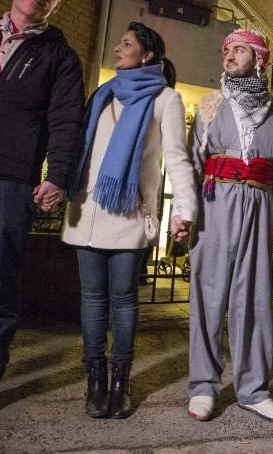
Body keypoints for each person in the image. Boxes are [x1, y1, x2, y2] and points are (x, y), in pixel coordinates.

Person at [0, 0, 84, 426]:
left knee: (0, 289)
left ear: (56, 3)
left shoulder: (60, 57)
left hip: (9, 181)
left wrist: (58, 176)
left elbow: (66, 121)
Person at [62, 22, 196, 419]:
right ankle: (95, 378)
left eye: (126, 44)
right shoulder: (103, 94)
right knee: (91, 299)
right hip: (87, 210)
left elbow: (176, 158)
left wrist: (183, 210)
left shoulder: (165, 99)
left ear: (147, 55)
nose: (118, 48)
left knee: (122, 299)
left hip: (128, 211)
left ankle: (121, 378)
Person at [186, 29, 273, 423]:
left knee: (252, 297)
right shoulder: (211, 105)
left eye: (238, 49)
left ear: (259, 57)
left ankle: (253, 389)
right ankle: (203, 386)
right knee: (209, 294)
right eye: (226, 50)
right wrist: (185, 212)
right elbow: (192, 163)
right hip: (215, 201)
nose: (229, 56)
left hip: (258, 203)